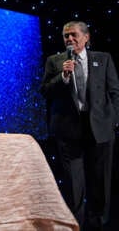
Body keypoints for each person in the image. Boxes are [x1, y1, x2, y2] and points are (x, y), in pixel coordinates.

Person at [40, 21, 119, 230]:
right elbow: (45, 91)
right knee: (74, 185)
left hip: (100, 130)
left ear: (86, 37)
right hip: (68, 131)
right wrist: (63, 76)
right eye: (66, 36)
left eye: (74, 35)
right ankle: (75, 225)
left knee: (101, 181)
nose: (70, 39)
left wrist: (112, 121)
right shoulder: (55, 61)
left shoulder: (103, 59)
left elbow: (114, 92)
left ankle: (99, 223)